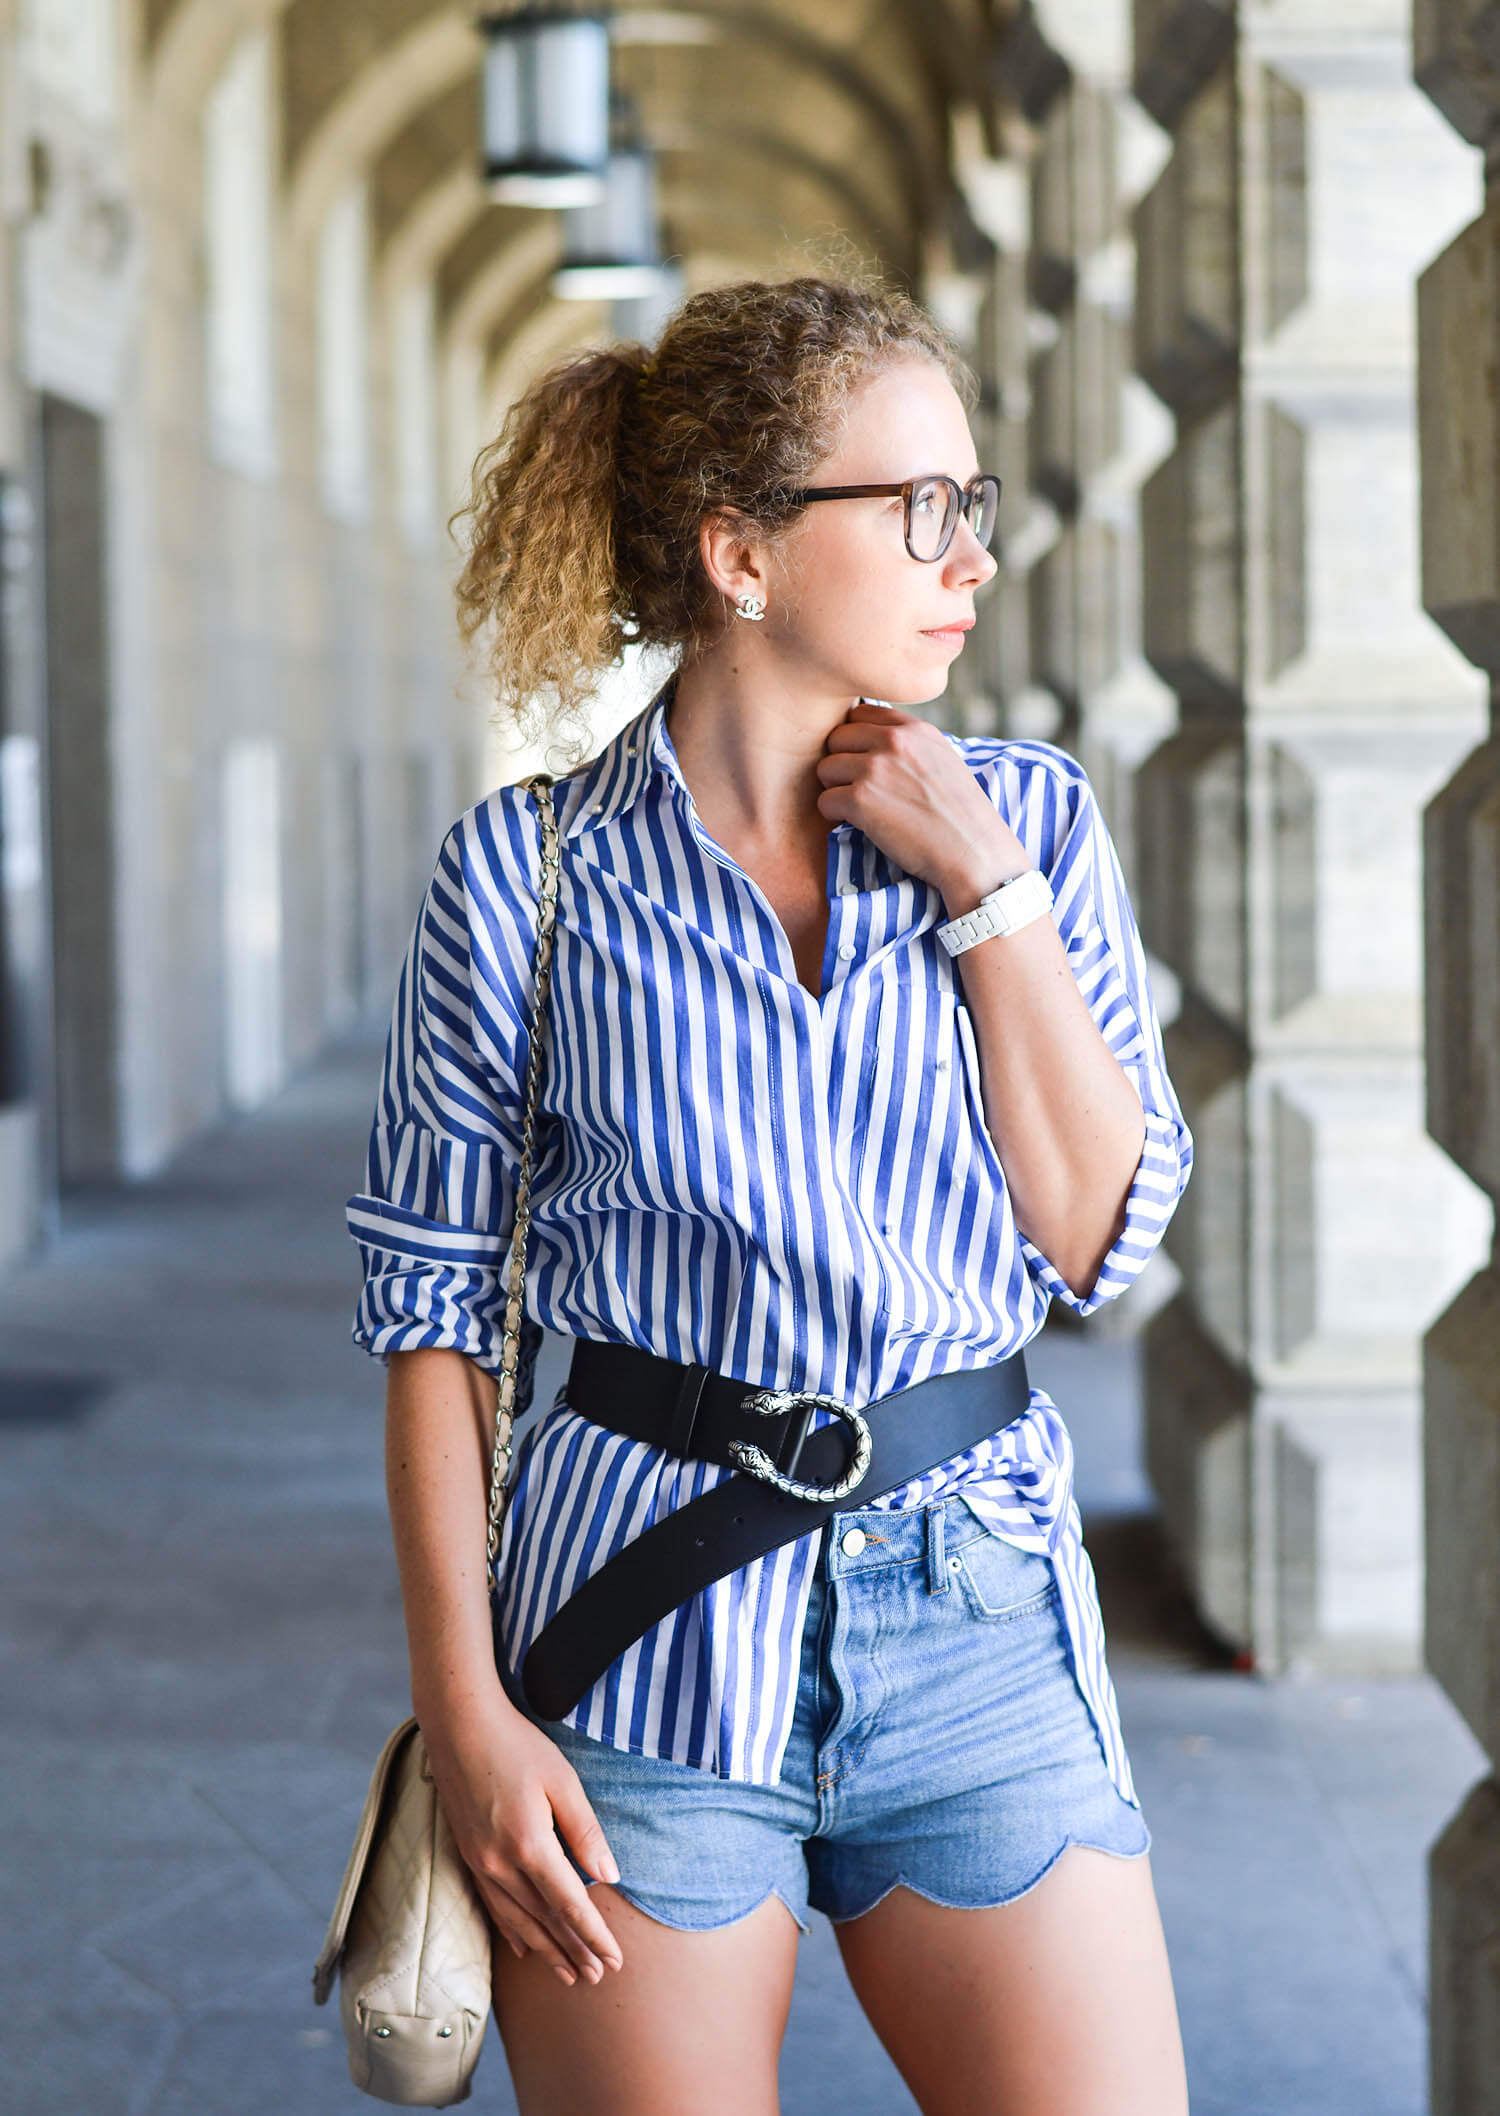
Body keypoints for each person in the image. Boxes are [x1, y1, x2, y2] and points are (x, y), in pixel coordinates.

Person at [346, 274, 1195, 2116]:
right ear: (739, 552)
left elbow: (1098, 1239)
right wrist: (471, 1717)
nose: (970, 555)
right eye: (921, 510)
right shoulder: (528, 876)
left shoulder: (1030, 821)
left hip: (975, 1610)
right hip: (641, 1632)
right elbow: (429, 1325)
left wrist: (983, 886)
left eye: (976, 504)